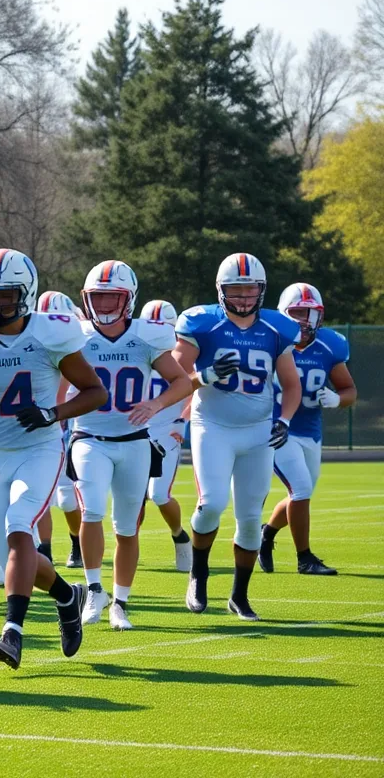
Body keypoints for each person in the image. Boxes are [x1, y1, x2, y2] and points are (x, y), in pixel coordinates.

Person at [0, 248, 105, 670]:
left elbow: (95, 391)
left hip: (40, 449)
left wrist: (53, 413)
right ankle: (68, 596)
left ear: (26, 293)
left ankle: (12, 632)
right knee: (14, 553)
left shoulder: (52, 334)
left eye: (3, 295)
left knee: (18, 528)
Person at [173, 253, 301, 620]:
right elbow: (176, 375)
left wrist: (286, 420)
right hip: (212, 426)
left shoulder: (277, 328)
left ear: (261, 291)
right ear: (221, 291)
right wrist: (205, 376)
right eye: (236, 291)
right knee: (211, 503)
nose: (244, 298)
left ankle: (239, 596)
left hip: (258, 431)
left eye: (250, 290)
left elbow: (290, 386)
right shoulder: (203, 323)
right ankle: (198, 574)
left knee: (248, 518)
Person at [67, 261, 191, 630]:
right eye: (98, 298)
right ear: (86, 300)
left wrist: (156, 404)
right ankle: (93, 590)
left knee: (126, 526)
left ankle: (119, 601)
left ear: (128, 300)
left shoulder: (147, 337)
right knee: (90, 511)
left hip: (135, 439)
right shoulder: (74, 336)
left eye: (112, 298)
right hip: (88, 436)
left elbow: (182, 383)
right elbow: (54, 383)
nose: (104, 306)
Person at [260, 283, 356, 576]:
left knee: (299, 493)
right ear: (283, 315)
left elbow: (350, 389)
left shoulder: (330, 345)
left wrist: (338, 399)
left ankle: (268, 533)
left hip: (311, 431)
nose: (303, 320)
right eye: (297, 312)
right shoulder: (271, 341)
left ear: (320, 316)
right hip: (277, 428)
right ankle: (305, 558)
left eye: (309, 313)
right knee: (300, 489)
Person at [139, 300, 194, 571]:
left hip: (166, 431)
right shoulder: (132, 349)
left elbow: (193, 385)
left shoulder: (179, 355)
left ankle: (179, 535)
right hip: (136, 430)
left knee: (158, 494)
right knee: (133, 496)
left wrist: (182, 421)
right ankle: (129, 546)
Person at [35, 291, 85, 570]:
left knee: (66, 497)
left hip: (70, 421)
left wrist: (59, 412)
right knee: (39, 493)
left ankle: (77, 543)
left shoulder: (79, 342)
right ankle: (45, 549)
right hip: (42, 420)